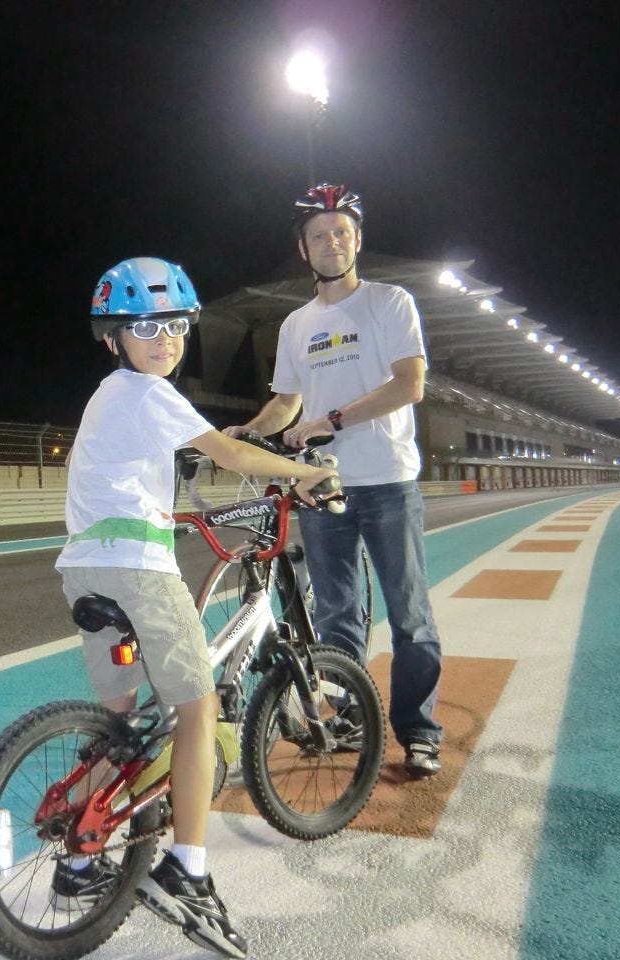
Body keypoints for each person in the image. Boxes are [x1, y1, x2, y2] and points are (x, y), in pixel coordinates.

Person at [54, 257, 339, 959]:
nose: (165, 339)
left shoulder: (109, 397)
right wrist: (307, 472)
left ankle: (79, 862)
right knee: (198, 709)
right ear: (113, 337)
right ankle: (188, 868)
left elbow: (170, 467)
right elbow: (230, 457)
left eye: (177, 326)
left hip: (85, 565)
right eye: (145, 326)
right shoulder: (146, 393)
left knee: (120, 728)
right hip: (137, 569)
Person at [224, 183, 445, 778]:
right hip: (320, 486)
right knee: (337, 613)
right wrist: (249, 429)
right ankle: (350, 716)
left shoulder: (388, 302)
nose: (331, 242)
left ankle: (419, 730)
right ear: (304, 249)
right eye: (319, 234)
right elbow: (286, 404)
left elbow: (410, 385)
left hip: (388, 480)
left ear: (357, 241)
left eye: (341, 232)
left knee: (409, 613)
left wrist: (335, 420)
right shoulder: (297, 325)